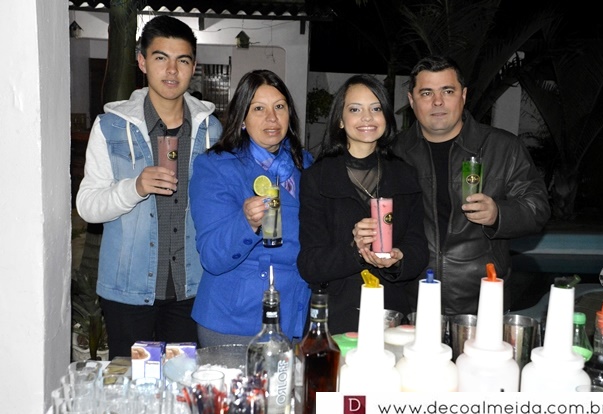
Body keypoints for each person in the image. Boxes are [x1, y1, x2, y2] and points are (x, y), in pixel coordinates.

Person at [76, 15, 223, 358]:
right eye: (161, 58)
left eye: (182, 60)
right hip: (128, 290)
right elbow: (87, 206)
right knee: (132, 383)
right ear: (142, 62)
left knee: (181, 381)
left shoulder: (211, 131)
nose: (171, 70)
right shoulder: (110, 127)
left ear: (193, 67)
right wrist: (135, 188)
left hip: (192, 289)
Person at [392, 55, 550, 316]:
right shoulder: (393, 153)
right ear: (412, 100)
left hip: (482, 302)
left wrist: (498, 213)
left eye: (448, 91)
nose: (438, 101)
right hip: (411, 300)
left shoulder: (503, 148)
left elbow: (538, 208)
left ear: (463, 95)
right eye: (427, 93)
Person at [297, 74, 429, 334]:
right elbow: (309, 264)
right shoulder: (317, 178)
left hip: (390, 315)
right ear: (340, 120)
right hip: (337, 316)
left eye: (376, 108)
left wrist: (398, 259)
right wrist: (355, 251)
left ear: (386, 117)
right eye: (355, 109)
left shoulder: (405, 175)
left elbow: (419, 250)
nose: (367, 118)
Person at [190, 69, 313, 346]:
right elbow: (212, 257)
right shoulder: (216, 166)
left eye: (279, 107)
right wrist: (246, 223)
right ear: (242, 119)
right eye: (258, 108)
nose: (272, 118)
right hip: (237, 320)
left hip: (293, 314)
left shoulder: (304, 164)